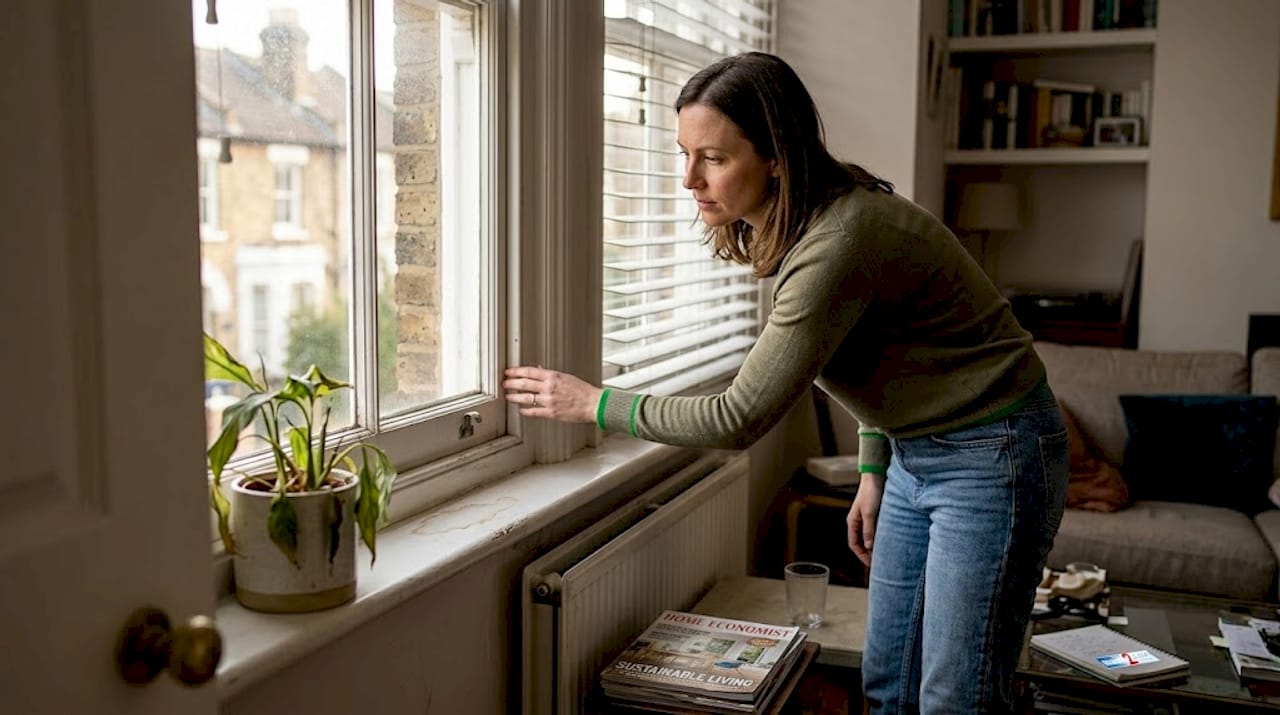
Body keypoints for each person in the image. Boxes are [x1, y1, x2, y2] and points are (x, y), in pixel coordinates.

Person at [503, 51, 1068, 713]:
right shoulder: (809, 226)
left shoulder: (840, 239)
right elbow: (889, 351)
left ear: (777, 155)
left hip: (993, 451)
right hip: (921, 451)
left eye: (713, 158)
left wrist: (592, 402)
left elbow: (736, 417)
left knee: (956, 700)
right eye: (684, 153)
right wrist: (874, 464)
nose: (689, 179)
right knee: (888, 685)